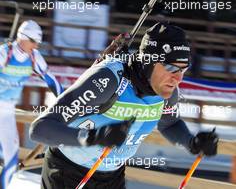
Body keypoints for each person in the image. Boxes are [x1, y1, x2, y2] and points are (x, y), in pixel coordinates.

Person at [29, 22, 219, 189]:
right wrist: (93, 138)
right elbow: (40, 129)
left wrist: (192, 142)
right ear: (148, 61)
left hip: (112, 177)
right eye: (170, 68)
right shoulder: (109, 79)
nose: (178, 78)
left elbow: (169, 123)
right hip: (67, 172)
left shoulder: (166, 93)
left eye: (183, 69)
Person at [0, 20, 63, 189]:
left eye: (38, 43)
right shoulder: (4, 53)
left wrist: (65, 100)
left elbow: (51, 79)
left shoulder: (34, 57)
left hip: (6, 113)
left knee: (12, 161)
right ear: (23, 37)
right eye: (34, 42)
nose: (36, 46)